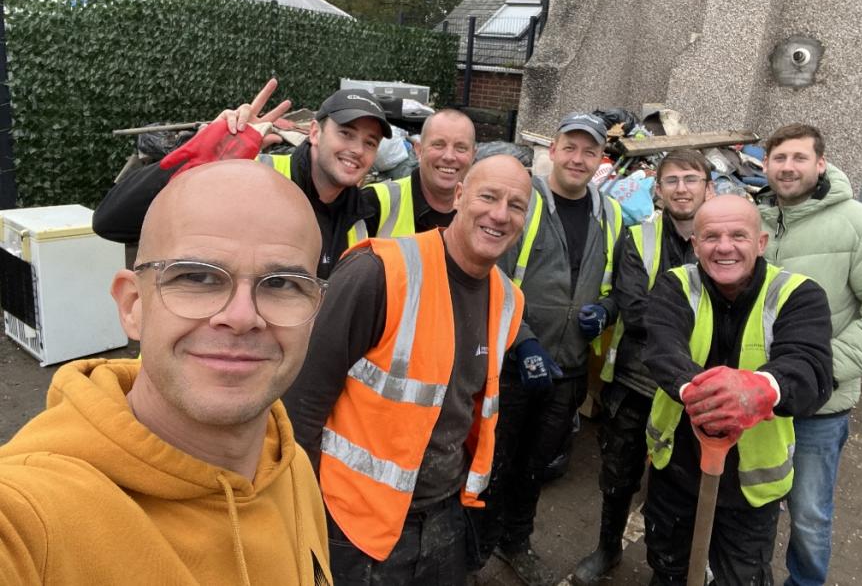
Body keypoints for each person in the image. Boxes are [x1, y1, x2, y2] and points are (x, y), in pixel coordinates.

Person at [0, 160, 333, 585]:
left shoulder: (290, 465)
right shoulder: (29, 517)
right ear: (132, 306)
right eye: (197, 277)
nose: (242, 316)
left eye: (283, 283)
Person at [283, 154, 536, 585]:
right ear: (458, 196)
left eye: (515, 206)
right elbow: (300, 406)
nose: (499, 214)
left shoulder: (509, 302)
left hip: (444, 516)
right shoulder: (379, 272)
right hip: (352, 520)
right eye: (488, 196)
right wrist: (301, 517)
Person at [641, 194, 834, 585]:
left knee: (741, 578)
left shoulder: (798, 294)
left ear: (760, 243)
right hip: (677, 472)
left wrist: (756, 389)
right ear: (695, 246)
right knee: (668, 570)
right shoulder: (676, 285)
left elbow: (810, 368)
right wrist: (712, 395)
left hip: (751, 488)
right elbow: (662, 349)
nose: (724, 247)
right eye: (711, 237)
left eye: (738, 236)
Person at [759, 123, 862, 586]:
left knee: (809, 515)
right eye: (780, 158)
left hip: (819, 406)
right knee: (754, 501)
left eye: (799, 158)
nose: (788, 167)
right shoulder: (757, 220)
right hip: (758, 401)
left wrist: (818, 370)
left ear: (820, 164)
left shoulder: (859, 223)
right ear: (765, 165)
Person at [475, 112, 624, 586]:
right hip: (512, 365)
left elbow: (620, 285)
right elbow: (490, 274)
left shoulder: (613, 213)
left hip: (569, 367)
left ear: (601, 158)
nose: (578, 159)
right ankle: (472, 552)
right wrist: (523, 341)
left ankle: (515, 542)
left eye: (590, 151)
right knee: (491, 462)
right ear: (553, 150)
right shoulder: (524, 201)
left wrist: (605, 309)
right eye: (571, 147)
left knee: (535, 466)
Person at [573, 148, 714, 585]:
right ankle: (608, 548)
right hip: (637, 383)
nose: (682, 188)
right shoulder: (639, 239)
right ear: (658, 190)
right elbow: (634, 311)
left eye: (691, 179)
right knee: (617, 475)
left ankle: (670, 565)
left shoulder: (724, 237)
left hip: (696, 389)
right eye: (672, 180)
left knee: (681, 485)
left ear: (709, 187)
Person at [93, 79, 392, 278]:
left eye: (370, 142)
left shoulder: (366, 215)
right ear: (314, 132)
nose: (356, 150)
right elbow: (111, 222)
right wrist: (198, 166)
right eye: (346, 134)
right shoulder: (251, 175)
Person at [363, 108, 476, 236]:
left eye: (461, 148)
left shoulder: (484, 213)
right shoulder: (374, 202)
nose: (449, 156)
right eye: (438, 144)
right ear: (419, 150)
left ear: (473, 155)